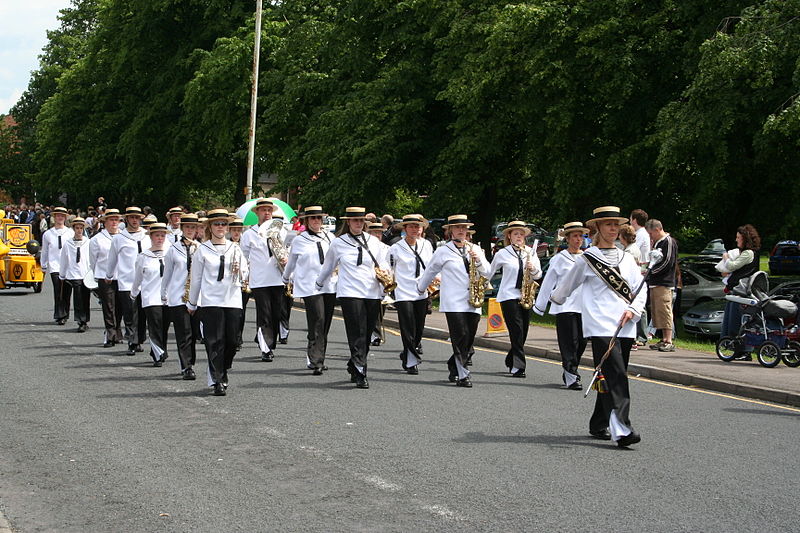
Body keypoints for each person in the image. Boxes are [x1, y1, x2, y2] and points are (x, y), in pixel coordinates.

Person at [551, 206, 647, 447]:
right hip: (600, 324)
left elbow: (640, 288)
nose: (613, 229)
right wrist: (553, 301)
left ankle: (598, 422)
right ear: (598, 228)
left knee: (612, 374)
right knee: (615, 375)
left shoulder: (626, 258)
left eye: (616, 225)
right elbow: (566, 287)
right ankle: (623, 429)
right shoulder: (587, 258)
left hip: (625, 324)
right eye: (608, 225)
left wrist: (634, 310)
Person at [315, 207, 389, 389]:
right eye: (354, 221)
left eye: (361, 221)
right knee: (356, 331)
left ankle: (354, 363)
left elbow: (383, 263)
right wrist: (318, 283)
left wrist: (386, 278)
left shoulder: (373, 241)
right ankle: (360, 371)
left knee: (368, 331)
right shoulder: (338, 243)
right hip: (349, 292)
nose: (358, 223)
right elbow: (328, 265)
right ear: (348, 222)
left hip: (371, 292)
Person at [417, 214, 489, 388]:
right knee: (460, 335)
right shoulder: (443, 251)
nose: (461, 231)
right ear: (450, 231)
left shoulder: (476, 249)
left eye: (464, 228)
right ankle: (463, 374)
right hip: (453, 301)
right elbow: (430, 271)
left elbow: (488, 272)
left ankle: (453, 364)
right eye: (457, 228)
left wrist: (478, 261)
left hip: (473, 300)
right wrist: (421, 289)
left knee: (469, 338)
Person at [186, 210, 248, 396]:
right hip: (211, 300)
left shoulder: (235, 248)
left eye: (223, 224)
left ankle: (223, 367)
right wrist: (192, 303)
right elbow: (196, 279)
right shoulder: (202, 250)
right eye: (217, 224)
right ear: (210, 227)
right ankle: (217, 379)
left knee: (232, 341)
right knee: (215, 341)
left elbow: (245, 273)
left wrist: (242, 271)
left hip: (232, 300)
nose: (221, 227)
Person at [534, 221, 589, 389]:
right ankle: (572, 375)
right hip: (564, 305)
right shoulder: (559, 259)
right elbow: (548, 282)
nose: (578, 239)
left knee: (582, 341)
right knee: (569, 342)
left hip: (583, 306)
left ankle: (571, 370)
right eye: (575, 236)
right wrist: (540, 305)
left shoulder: (587, 258)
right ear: (567, 238)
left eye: (580, 236)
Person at [283, 206, 337, 375]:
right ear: (306, 221)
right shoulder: (299, 240)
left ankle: (318, 355)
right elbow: (291, 262)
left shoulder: (330, 237)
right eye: (312, 218)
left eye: (318, 218)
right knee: (318, 319)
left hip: (329, 285)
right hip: (309, 286)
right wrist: (285, 278)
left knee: (325, 322)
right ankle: (316, 359)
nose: (316, 221)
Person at [487, 221, 542, 378]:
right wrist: (481, 286)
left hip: (525, 295)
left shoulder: (530, 252)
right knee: (516, 329)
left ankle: (511, 358)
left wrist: (533, 269)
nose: (519, 236)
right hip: (508, 296)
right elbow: (490, 271)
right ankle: (519, 366)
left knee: (523, 332)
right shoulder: (502, 253)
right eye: (515, 234)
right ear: (509, 236)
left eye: (521, 234)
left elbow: (538, 275)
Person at [240, 199, 288, 362]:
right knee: (264, 314)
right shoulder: (248, 234)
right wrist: (245, 277)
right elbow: (243, 257)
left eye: (269, 210)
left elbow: (285, 251)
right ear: (257, 213)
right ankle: (265, 348)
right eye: (263, 210)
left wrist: (285, 260)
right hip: (259, 280)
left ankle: (267, 341)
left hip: (277, 278)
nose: (267, 213)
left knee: (275, 314)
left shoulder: (280, 231)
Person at [388, 214, 435, 374]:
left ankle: (407, 352)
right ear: (405, 229)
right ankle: (411, 361)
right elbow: (389, 269)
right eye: (412, 226)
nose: (415, 229)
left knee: (418, 328)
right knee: (407, 325)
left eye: (418, 226)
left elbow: (431, 266)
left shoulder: (427, 245)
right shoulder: (395, 248)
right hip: (403, 292)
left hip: (421, 291)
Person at [162, 213, 202, 379]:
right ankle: (186, 366)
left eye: (193, 227)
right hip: (178, 296)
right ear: (182, 228)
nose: (190, 230)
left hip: (197, 298)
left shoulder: (201, 249)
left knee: (193, 333)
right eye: (187, 227)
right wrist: (163, 293)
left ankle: (190, 361)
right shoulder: (173, 249)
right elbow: (168, 274)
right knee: (183, 333)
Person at [106, 207, 150, 356]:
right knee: (130, 312)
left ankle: (139, 339)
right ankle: (132, 340)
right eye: (132, 218)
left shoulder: (147, 235)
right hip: (127, 281)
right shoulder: (119, 238)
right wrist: (109, 274)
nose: (135, 220)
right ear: (127, 219)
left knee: (143, 313)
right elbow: (112, 259)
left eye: (137, 218)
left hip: (146, 281)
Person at [131, 223, 171, 367]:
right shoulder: (143, 256)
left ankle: (162, 349)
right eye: (157, 235)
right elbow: (138, 277)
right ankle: (157, 354)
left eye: (162, 235)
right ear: (151, 237)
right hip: (150, 296)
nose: (160, 238)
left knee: (164, 326)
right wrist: (134, 292)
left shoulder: (170, 253)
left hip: (167, 297)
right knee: (154, 326)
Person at [720, 224, 762, 359]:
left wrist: (726, 257)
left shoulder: (748, 253)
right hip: (736, 292)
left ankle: (743, 350)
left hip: (741, 293)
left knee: (737, 322)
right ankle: (737, 349)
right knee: (733, 321)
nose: (736, 240)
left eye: (739, 237)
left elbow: (731, 266)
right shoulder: (746, 253)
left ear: (745, 239)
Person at [90, 208, 124, 347]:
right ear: (105, 222)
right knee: (109, 306)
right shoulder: (97, 239)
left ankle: (117, 330)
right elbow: (93, 260)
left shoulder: (124, 236)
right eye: (111, 220)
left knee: (120, 306)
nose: (114, 223)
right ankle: (110, 333)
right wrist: (97, 274)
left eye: (116, 220)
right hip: (104, 276)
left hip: (121, 276)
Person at [645, 219, 678, 352]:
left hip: (664, 282)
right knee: (657, 311)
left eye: (651, 233)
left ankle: (668, 340)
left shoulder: (668, 242)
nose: (650, 236)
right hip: (655, 283)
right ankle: (663, 338)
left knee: (665, 310)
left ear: (658, 230)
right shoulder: (658, 243)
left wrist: (651, 272)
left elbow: (667, 262)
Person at [40, 206, 75, 325]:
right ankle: (59, 314)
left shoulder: (70, 233)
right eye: (58, 216)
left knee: (66, 291)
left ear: (65, 218)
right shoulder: (48, 234)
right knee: (57, 290)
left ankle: (65, 313)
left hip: (68, 266)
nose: (60, 218)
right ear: (54, 218)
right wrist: (43, 265)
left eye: (62, 216)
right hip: (55, 265)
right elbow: (44, 250)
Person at [58, 217, 92, 332]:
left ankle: (85, 320)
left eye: (81, 228)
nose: (79, 230)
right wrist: (62, 274)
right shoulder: (68, 244)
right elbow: (64, 259)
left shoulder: (88, 242)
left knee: (85, 298)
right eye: (77, 228)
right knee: (78, 298)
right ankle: (80, 321)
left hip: (85, 274)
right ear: (73, 229)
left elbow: (91, 258)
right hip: (73, 274)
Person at [367, 221, 391, 347]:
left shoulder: (386, 248)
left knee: (380, 311)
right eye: (375, 232)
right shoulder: (367, 247)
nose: (377, 235)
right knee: (371, 312)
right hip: (369, 284)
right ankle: (374, 335)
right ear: (369, 233)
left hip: (383, 284)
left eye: (379, 233)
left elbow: (389, 265)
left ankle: (374, 333)